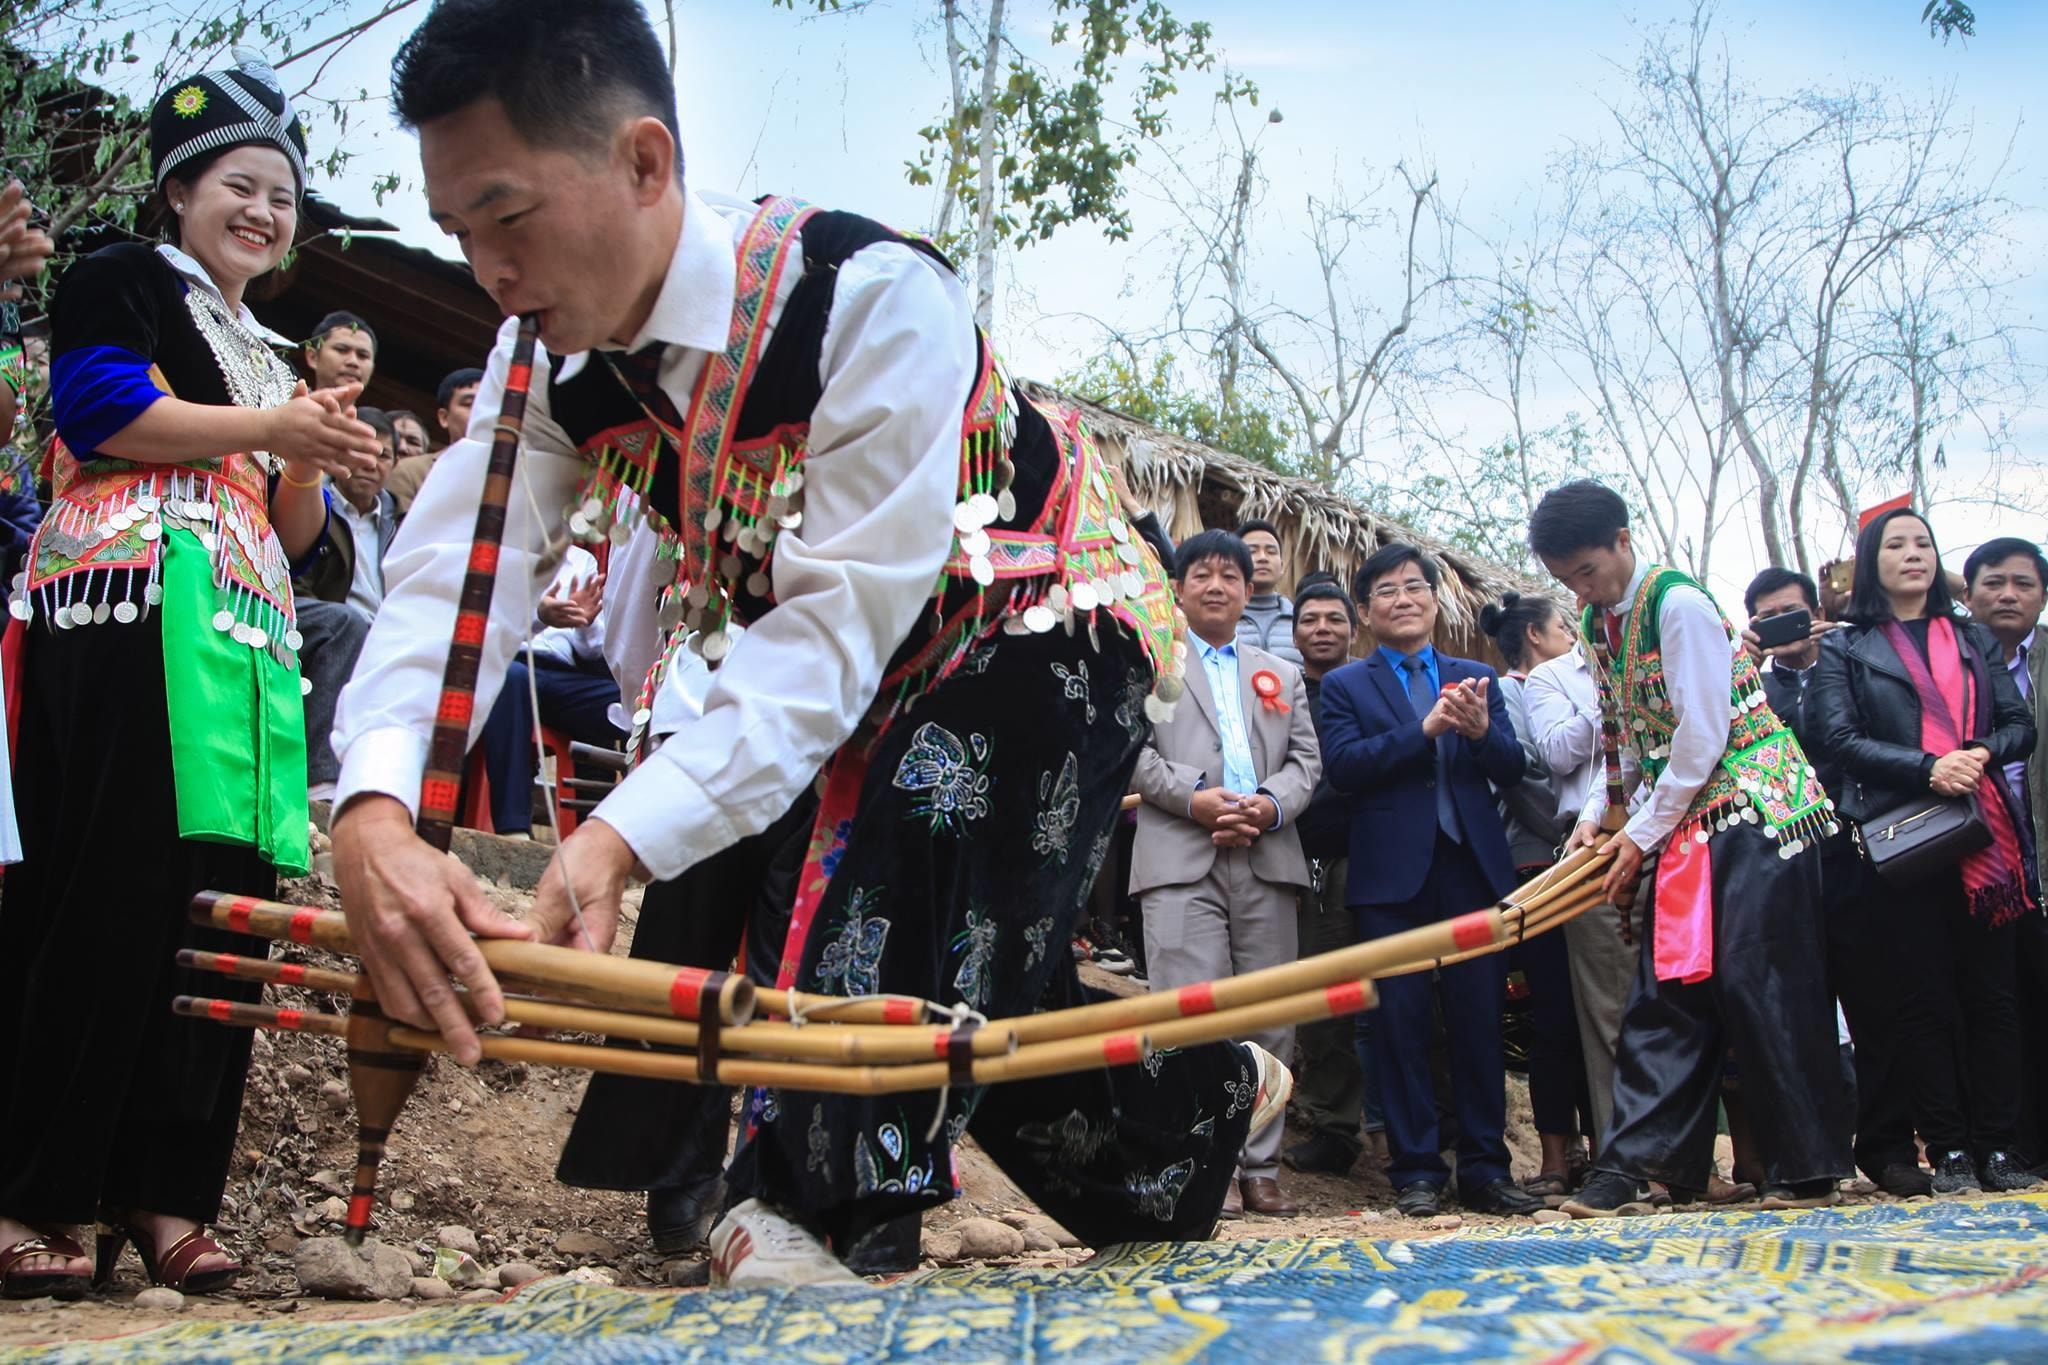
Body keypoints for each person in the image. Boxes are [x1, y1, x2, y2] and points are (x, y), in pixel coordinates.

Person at [330, 0, 1285, 1288]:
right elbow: (454, 585)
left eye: (509, 219)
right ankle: (1202, 1094)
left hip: (1044, 609)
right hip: (878, 665)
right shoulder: (535, 366)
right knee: (965, 969)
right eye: (459, 235)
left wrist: (615, 837)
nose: (489, 272)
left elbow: (829, 634)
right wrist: (379, 808)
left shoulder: (867, 296)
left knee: (887, 865)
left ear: (645, 163)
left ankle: (799, 1218)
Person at [0, 52, 377, 1299]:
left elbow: (311, 546)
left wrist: (320, 458)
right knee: (105, 889)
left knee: (222, 912)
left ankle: (165, 1196)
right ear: (175, 192)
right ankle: (39, 1193)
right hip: (128, 605)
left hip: (247, 638)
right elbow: (100, 409)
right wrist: (276, 430)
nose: (264, 212)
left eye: (281, 195)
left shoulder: (269, 350)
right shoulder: (122, 280)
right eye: (237, 184)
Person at [1523, 482, 1850, 1220]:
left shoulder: (1681, 604)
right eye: (1567, 578)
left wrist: (1636, 835)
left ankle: (1810, 1165)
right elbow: (1633, 740)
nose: (1581, 588)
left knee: (1759, 984)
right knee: (1665, 990)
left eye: (1588, 570)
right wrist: (1599, 822)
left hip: (1758, 807)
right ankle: (1633, 1168)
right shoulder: (1595, 620)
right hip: (1687, 817)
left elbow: (1700, 739)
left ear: (1623, 539)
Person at [1810, 509, 2040, 1194]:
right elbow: (1834, 738)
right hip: (1905, 836)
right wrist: (1925, 767)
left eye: (1923, 543)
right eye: (1896, 544)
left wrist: (1975, 753)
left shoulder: (1972, 635)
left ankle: (1998, 1145)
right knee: (1923, 996)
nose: (1913, 553)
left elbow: (2017, 724)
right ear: (1872, 561)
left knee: (1993, 996)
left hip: (1986, 835)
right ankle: (1950, 1149)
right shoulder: (1848, 647)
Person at [1318, 543, 1542, 1219]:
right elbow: (1346, 768)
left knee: (1479, 1020)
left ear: (1436, 599)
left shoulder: (1478, 675)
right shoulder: (1345, 686)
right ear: (1365, 611)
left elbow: (1513, 767)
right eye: (1386, 591)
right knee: (1401, 1022)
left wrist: (1477, 732)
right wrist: (1424, 730)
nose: (1403, 599)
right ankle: (1415, 1168)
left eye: (1415, 587)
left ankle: (1485, 1167)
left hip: (1471, 867)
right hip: (1391, 876)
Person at [1132, 530, 1320, 1218]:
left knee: (1271, 1016)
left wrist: (1269, 807)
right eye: (1202, 574)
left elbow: (1307, 763)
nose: (1216, 585)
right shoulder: (1153, 661)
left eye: (1230, 575)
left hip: (1267, 856)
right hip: (1182, 854)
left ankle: (1258, 1167)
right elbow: (1132, 749)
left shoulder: (1283, 672)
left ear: (1250, 589)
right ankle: (1198, 1163)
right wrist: (1194, 795)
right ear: (1177, 589)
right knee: (1189, 1014)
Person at [1740, 567, 1918, 1196]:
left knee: (1876, 1006)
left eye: (1790, 612)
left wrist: (1835, 649)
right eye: (1766, 619)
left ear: (1814, 611)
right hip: (1782, 863)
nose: (1781, 627)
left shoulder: (1852, 662)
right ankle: (1809, 1158)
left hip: (1858, 851)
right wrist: (1746, 666)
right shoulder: (1750, 690)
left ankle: (1889, 1148)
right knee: (1797, 1013)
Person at [1479, 591, 1590, 1201]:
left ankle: (1602, 1147)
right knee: (1552, 1014)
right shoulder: (1514, 691)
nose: (1573, 639)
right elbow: (1523, 776)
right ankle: (1554, 1154)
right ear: (1536, 639)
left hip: (1584, 858)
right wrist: (1578, 833)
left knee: (1592, 1011)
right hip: (1541, 863)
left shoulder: (1581, 684)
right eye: (1562, 630)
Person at [1521, 617, 1638, 1164]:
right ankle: (1628, 1160)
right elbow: (1557, 754)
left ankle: (1685, 1162)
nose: (1585, 625)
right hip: (1593, 849)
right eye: (1574, 619)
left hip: (1679, 839)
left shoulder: (1653, 658)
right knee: (1607, 1013)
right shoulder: (1550, 679)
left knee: (1680, 1007)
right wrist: (1613, 699)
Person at [1284, 576, 1387, 1176]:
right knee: (1323, 1008)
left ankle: (1414, 1132)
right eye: (1309, 620)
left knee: (1400, 999)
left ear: (1355, 627)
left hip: (1376, 863)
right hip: (1306, 866)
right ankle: (1335, 1128)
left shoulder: (1376, 689)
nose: (1321, 629)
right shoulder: (1277, 692)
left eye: (1333, 619)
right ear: (1294, 632)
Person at [1961, 537, 2048, 1171]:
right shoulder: (1949, 657)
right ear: (1969, 594)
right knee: (1990, 1004)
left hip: (2041, 862)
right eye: (1994, 582)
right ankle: (1995, 1142)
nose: (2009, 594)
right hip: (1978, 862)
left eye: (2024, 583)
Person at [475, 544, 625, 837]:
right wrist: (539, 615)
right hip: (507, 663)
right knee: (513, 678)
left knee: (629, 704)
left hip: (561, 675)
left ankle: (612, 831)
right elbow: (488, 628)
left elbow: (592, 651)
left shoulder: (582, 560)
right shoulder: (500, 551)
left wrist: (586, 623)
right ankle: (513, 828)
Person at [383, 366, 481, 517]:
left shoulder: (518, 475)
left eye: (487, 404)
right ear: (444, 417)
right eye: (469, 404)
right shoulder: (410, 472)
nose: (480, 411)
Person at [1234, 518, 1302, 666]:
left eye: (1271, 552)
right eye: (1252, 551)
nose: (1263, 558)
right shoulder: (1222, 618)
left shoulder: (1300, 619)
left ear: (1282, 566)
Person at [302, 311, 377, 395]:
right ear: (313, 357)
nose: (353, 361)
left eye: (363, 355)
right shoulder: (287, 406)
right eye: (341, 350)